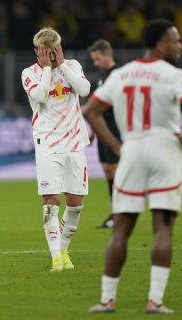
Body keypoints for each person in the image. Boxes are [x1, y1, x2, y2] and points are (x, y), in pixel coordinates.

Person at [83, 19, 182, 313]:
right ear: (161, 44)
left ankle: (107, 300)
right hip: (165, 149)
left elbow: (90, 110)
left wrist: (116, 147)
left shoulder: (122, 74)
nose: (180, 44)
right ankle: (155, 300)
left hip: (132, 150)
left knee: (121, 229)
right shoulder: (174, 74)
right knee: (163, 228)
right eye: (176, 40)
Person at [21, 27, 91, 272]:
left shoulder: (72, 65)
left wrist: (61, 65)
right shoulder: (29, 73)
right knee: (51, 203)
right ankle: (56, 258)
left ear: (59, 48)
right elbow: (40, 95)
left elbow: (84, 90)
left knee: (75, 203)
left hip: (74, 143)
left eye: (54, 51)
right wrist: (48, 69)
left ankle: (64, 249)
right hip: (48, 144)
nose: (50, 56)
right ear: (37, 51)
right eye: (46, 52)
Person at [84, 39, 121, 229]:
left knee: (116, 170)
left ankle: (120, 213)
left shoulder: (117, 75)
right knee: (107, 170)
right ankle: (114, 212)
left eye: (97, 59)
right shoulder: (102, 77)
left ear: (108, 56)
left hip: (114, 128)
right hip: (101, 128)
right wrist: (92, 131)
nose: (95, 63)